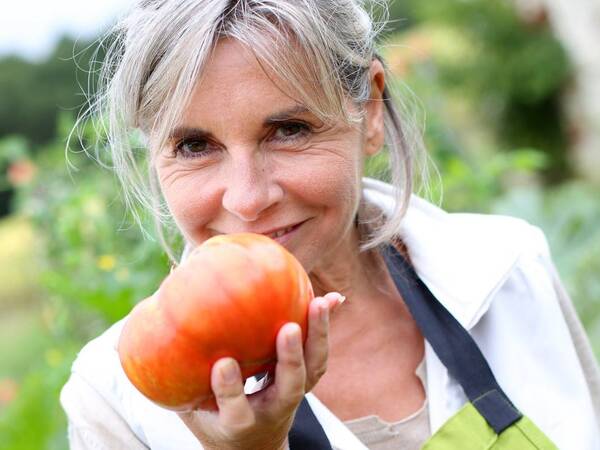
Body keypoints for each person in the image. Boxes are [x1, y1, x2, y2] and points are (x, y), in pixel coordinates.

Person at [60, 1, 600, 449]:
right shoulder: (120, 401)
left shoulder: (507, 271)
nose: (247, 200)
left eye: (289, 130)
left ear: (368, 111)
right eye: (195, 145)